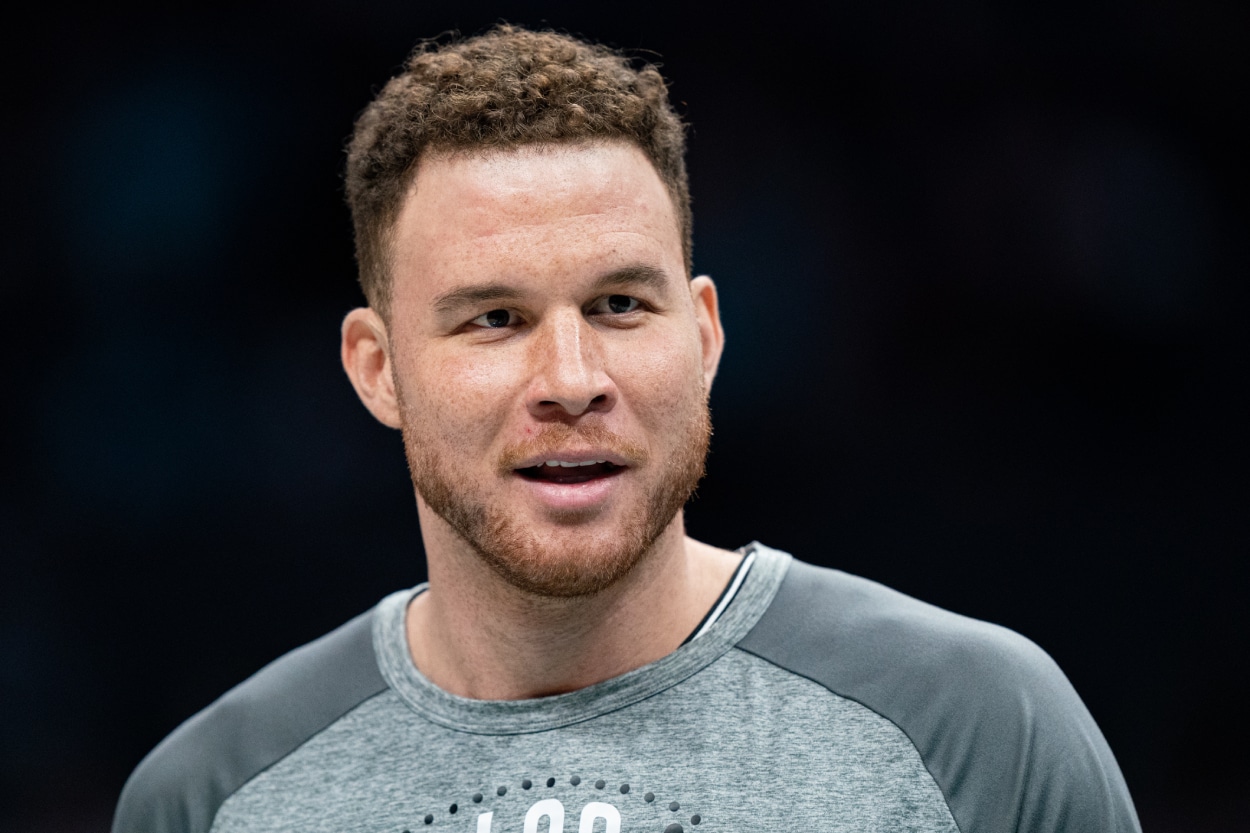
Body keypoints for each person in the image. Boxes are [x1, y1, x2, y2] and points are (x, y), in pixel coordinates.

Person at [112, 25, 1140, 833]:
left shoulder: (977, 725)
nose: (570, 379)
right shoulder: (212, 796)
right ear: (376, 369)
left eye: (617, 306)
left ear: (702, 334)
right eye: (494, 318)